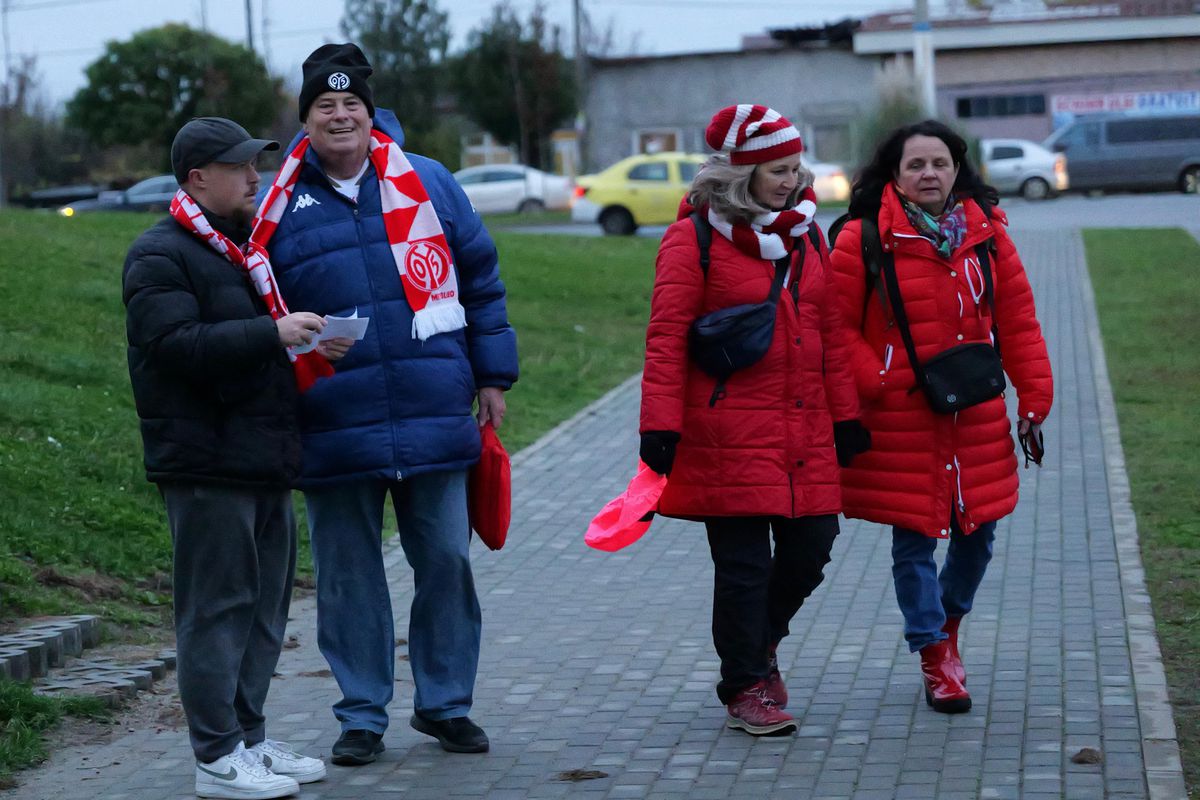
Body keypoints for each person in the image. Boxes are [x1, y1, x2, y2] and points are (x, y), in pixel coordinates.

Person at [260, 43, 518, 761]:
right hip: (333, 417)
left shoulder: (428, 180)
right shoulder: (276, 205)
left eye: (352, 105)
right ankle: (362, 715)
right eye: (324, 106)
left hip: (432, 406)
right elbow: (258, 306)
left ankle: (445, 705)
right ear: (305, 120)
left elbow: (480, 281)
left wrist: (493, 375)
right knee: (347, 578)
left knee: (444, 561)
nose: (340, 116)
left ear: (372, 115)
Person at [639, 104, 870, 736]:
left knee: (812, 548)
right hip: (725, 431)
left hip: (805, 426)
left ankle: (760, 646)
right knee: (742, 567)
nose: (794, 181)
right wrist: (658, 428)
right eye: (778, 171)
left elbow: (826, 330)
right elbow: (665, 338)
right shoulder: (691, 239)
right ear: (741, 175)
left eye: (796, 169)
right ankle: (744, 685)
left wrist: (845, 416)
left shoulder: (808, 234)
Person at [123, 117, 332, 799]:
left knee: (266, 610)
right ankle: (215, 758)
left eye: (257, 164)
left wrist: (301, 343)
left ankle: (248, 739)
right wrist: (272, 332)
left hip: (262, 457)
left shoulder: (243, 252)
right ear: (196, 178)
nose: (254, 177)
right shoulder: (159, 253)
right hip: (205, 464)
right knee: (216, 610)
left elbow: (241, 345)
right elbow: (177, 347)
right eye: (239, 166)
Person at [828, 119, 1053, 713]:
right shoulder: (860, 238)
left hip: (974, 411)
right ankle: (933, 654)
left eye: (940, 163)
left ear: (957, 169)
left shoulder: (988, 235)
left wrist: (1034, 400)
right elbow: (834, 327)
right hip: (902, 415)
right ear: (895, 176)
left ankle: (948, 627)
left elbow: (1020, 322)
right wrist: (876, 378)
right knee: (915, 538)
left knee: (979, 534)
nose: (929, 173)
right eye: (915, 165)